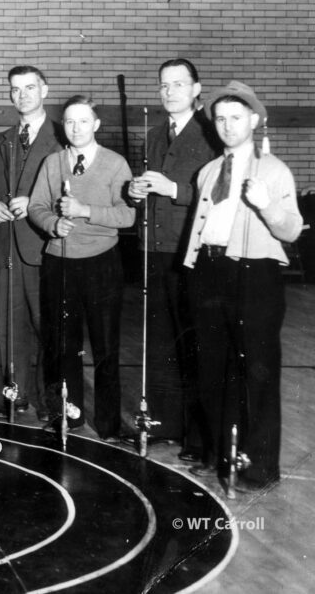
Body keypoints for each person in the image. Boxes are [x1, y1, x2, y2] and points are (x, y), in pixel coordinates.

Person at [182, 81, 301, 492]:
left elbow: (291, 230)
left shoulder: (274, 170)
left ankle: (261, 465)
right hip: (209, 273)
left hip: (255, 275)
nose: (228, 126)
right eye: (220, 119)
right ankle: (220, 455)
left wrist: (266, 204)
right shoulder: (209, 172)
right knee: (213, 368)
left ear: (254, 120)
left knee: (257, 371)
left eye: (237, 117)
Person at [127, 59, 220, 459]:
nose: (169, 92)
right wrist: (134, 190)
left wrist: (174, 188)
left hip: (191, 250)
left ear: (197, 89)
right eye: (164, 85)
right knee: (160, 341)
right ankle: (165, 422)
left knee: (193, 341)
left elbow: (218, 194)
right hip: (154, 248)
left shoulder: (213, 135)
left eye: (178, 85)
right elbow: (148, 188)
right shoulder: (153, 134)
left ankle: (197, 435)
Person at [28, 95, 135, 441]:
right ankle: (67, 415)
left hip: (102, 262)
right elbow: (36, 206)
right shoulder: (53, 162)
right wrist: (51, 224)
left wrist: (84, 210)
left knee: (105, 346)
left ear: (96, 125)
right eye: (70, 122)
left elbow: (128, 214)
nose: (76, 128)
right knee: (61, 346)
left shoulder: (116, 163)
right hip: (59, 262)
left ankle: (109, 425)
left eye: (83, 121)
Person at [0, 65, 63, 422]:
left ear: (45, 89)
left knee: (49, 326)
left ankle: (50, 399)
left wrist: (37, 202)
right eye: (15, 89)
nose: (22, 95)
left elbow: (76, 186)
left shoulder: (63, 137)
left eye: (30, 87)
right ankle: (16, 393)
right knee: (11, 328)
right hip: (7, 246)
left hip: (46, 245)